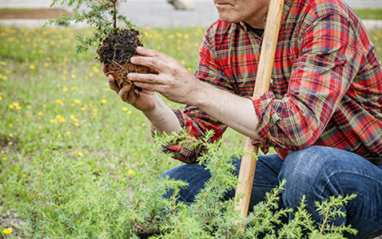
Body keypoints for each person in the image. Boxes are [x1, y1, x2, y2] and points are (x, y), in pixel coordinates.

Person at [105, 0, 382, 238]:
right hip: (292, 171)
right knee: (175, 188)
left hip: (368, 175)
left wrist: (194, 90)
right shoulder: (221, 37)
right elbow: (196, 142)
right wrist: (153, 107)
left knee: (307, 167)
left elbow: (297, 128)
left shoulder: (324, 17)